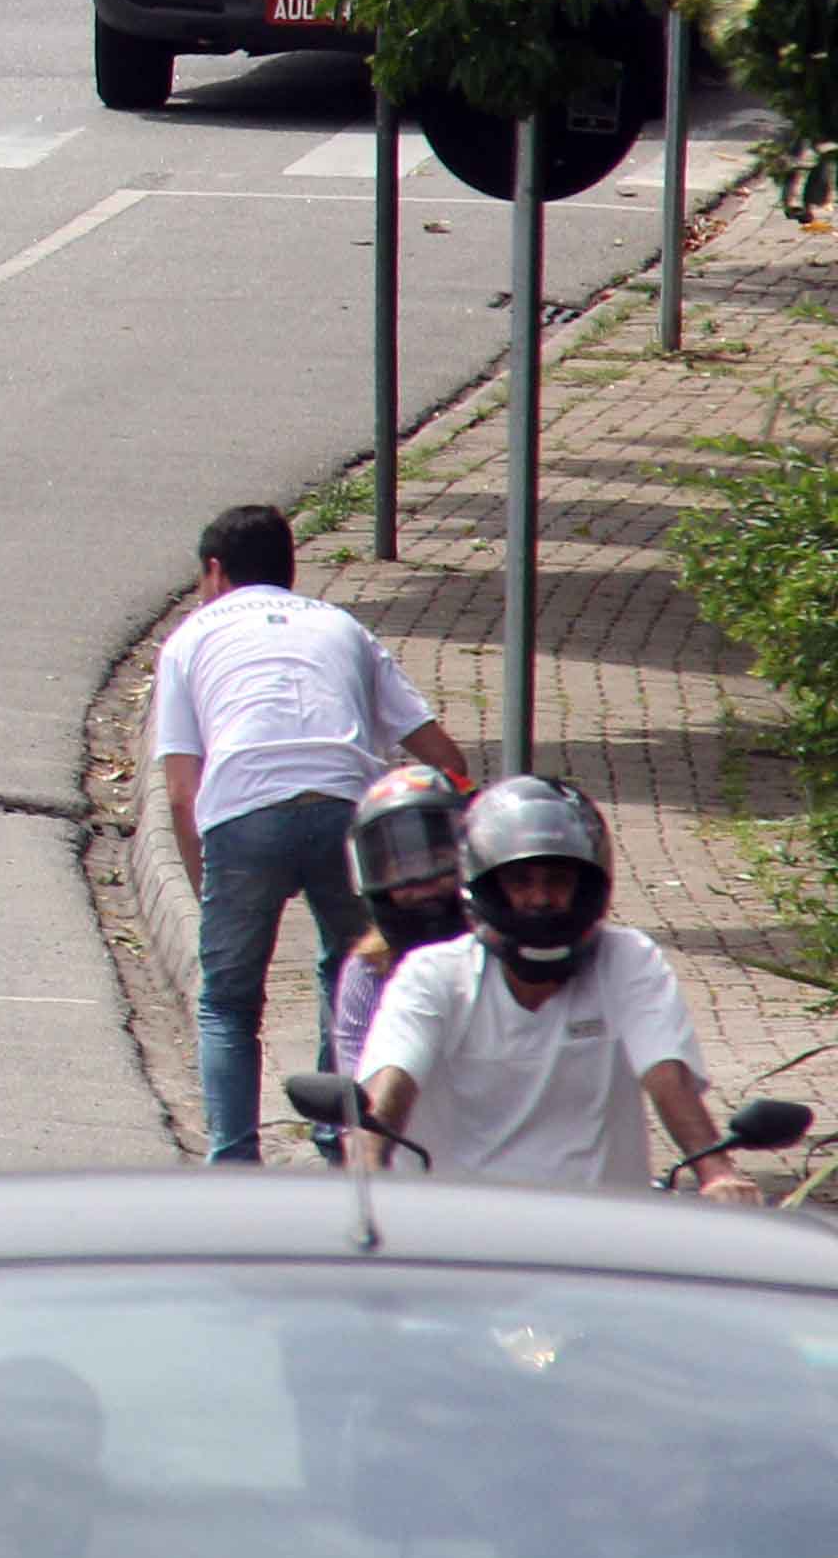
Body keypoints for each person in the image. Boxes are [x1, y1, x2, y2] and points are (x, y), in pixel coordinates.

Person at [124, 502, 481, 1164]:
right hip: (350, 816)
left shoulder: (190, 640)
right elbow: (446, 758)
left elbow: (181, 790)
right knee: (354, 967)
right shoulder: (343, 628)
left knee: (228, 1002)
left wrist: (210, 886)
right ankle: (341, 1137)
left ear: (213, 571)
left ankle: (233, 1160)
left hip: (242, 813)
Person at [354, 776, 762, 1198]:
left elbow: (666, 1075)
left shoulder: (627, 958)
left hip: (601, 1233)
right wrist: (365, 1171)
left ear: (587, 885)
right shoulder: (432, 974)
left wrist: (716, 1170)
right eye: (521, 881)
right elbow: (392, 1083)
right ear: (489, 887)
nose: (540, 898)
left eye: (557, 881)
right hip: (459, 1234)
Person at [323, 762, 474, 1086]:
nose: (422, 885)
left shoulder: (508, 956)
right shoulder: (367, 972)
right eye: (401, 870)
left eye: (437, 863)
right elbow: (361, 1095)